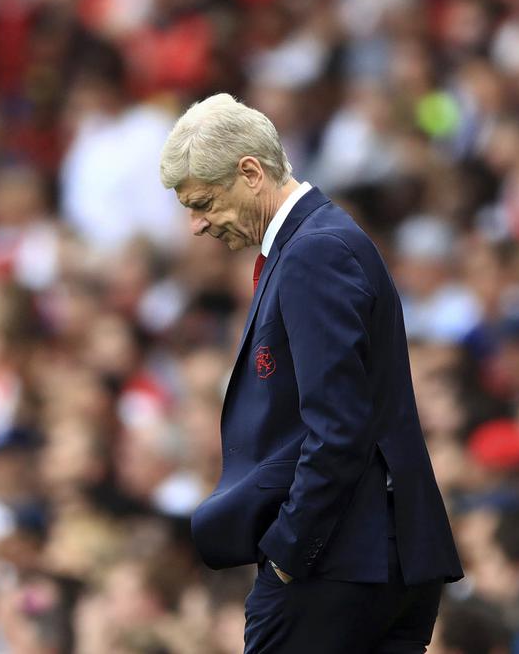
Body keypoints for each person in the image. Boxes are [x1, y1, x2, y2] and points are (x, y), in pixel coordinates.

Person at [161, 93, 463, 652]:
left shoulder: (313, 252)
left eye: (203, 203)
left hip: (340, 564)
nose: (197, 225)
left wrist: (290, 552)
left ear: (250, 173)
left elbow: (338, 427)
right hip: (374, 558)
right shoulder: (321, 240)